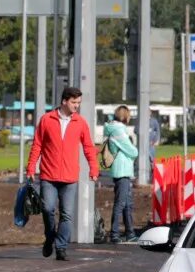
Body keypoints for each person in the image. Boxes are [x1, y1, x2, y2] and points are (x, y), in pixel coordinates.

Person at [26, 87, 99, 262]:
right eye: (74, 102)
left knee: (67, 215)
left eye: (78, 103)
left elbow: (89, 147)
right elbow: (37, 145)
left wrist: (94, 169)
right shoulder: (46, 120)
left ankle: (61, 247)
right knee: (47, 209)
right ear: (64, 101)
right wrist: (31, 168)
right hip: (48, 175)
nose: (77, 106)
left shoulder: (80, 123)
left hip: (70, 177)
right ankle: (50, 236)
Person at [101, 104, 139, 243]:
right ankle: (115, 234)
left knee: (127, 203)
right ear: (125, 116)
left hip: (121, 170)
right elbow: (133, 151)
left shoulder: (113, 128)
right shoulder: (119, 131)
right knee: (120, 203)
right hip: (122, 170)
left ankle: (130, 233)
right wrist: (134, 150)